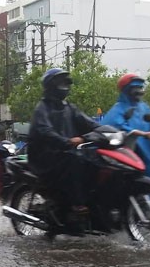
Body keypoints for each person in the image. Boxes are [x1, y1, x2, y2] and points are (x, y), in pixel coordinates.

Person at [28, 68, 101, 216]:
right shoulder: (42, 109)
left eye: (65, 82)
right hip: (46, 158)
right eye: (60, 82)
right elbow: (45, 131)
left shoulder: (70, 108)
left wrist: (107, 131)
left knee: (97, 160)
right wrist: (66, 141)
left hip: (66, 152)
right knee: (76, 160)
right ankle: (76, 203)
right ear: (51, 85)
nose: (64, 85)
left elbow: (90, 123)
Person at [104, 73, 150, 180]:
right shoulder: (118, 108)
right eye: (135, 88)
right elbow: (117, 126)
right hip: (133, 149)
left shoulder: (144, 107)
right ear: (126, 90)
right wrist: (144, 134)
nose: (139, 91)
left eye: (140, 87)